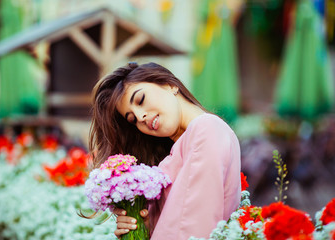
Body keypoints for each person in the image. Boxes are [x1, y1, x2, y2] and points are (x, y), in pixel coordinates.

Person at [90, 62, 241, 239]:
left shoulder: (206, 128)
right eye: (132, 120)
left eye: (140, 100)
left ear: (170, 84)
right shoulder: (177, 150)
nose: (140, 117)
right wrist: (143, 226)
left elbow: (193, 227)